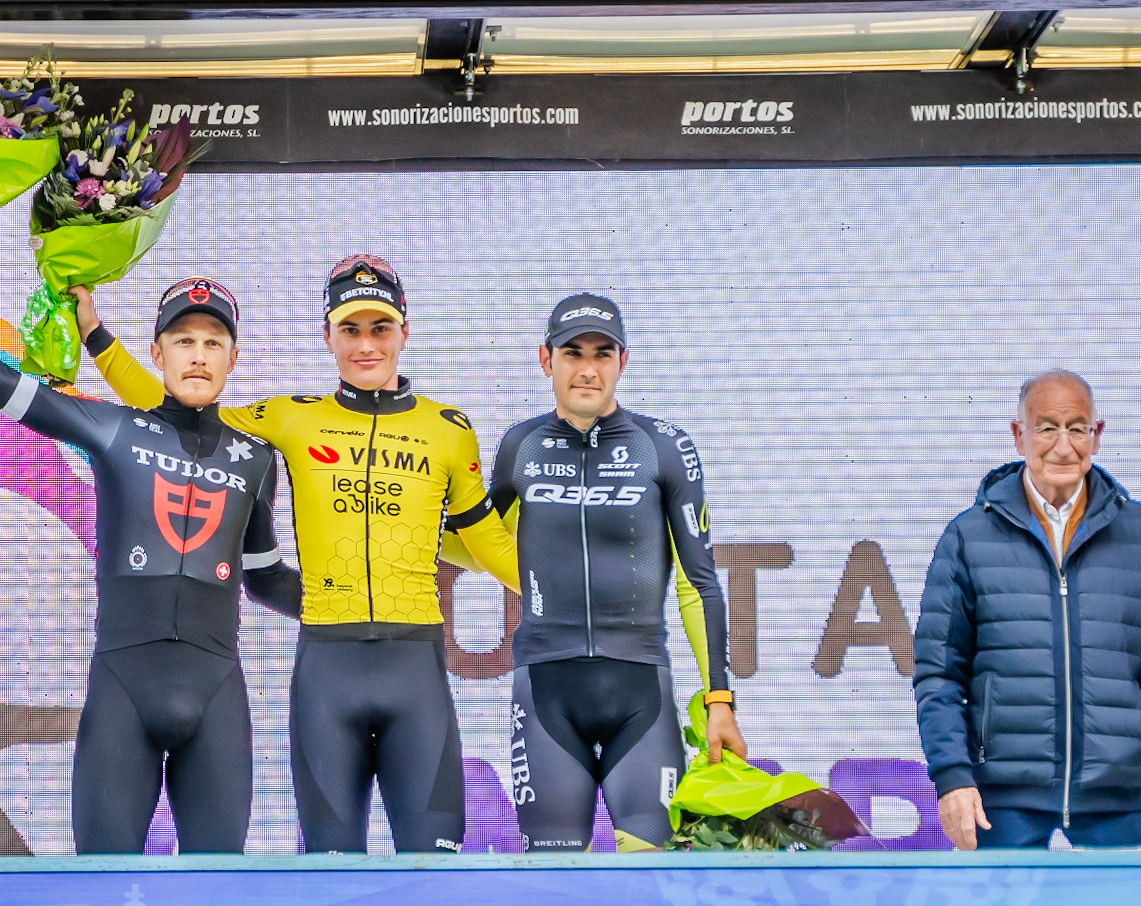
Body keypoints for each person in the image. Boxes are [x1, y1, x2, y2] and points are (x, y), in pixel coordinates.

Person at [74, 254, 519, 853]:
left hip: (416, 665)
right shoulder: (290, 417)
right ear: (328, 336)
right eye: (350, 329)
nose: (366, 345)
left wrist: (568, 591)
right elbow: (172, 403)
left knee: (433, 870)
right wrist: (97, 338)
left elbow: (488, 544)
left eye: (380, 328)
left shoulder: (448, 427)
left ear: (404, 333)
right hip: (326, 669)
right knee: (330, 877)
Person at [0, 215, 301, 854]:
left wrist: (363, 605)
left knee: (218, 890)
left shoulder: (255, 458)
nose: (198, 355)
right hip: (123, 692)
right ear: (157, 353)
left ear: (233, 357)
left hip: (217, 697)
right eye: (183, 340)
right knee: (102, 885)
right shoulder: (115, 428)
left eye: (213, 342)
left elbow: (266, 579)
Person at [485, 293, 745, 851]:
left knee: (653, 870)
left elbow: (698, 583)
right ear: (546, 359)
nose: (588, 369)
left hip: (640, 692)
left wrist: (719, 700)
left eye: (602, 354)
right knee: (554, 878)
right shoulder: (519, 447)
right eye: (572, 353)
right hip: (546, 690)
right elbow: (480, 545)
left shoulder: (664, 446)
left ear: (622, 362)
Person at [914, 369, 1141, 849]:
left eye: (1077, 428)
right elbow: (938, 672)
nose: (1064, 447)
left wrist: (1137, 729)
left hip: (1115, 796)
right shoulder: (968, 536)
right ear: (1019, 434)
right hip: (1002, 798)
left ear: (1097, 434)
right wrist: (953, 775)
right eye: (1047, 428)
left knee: (1117, 903)